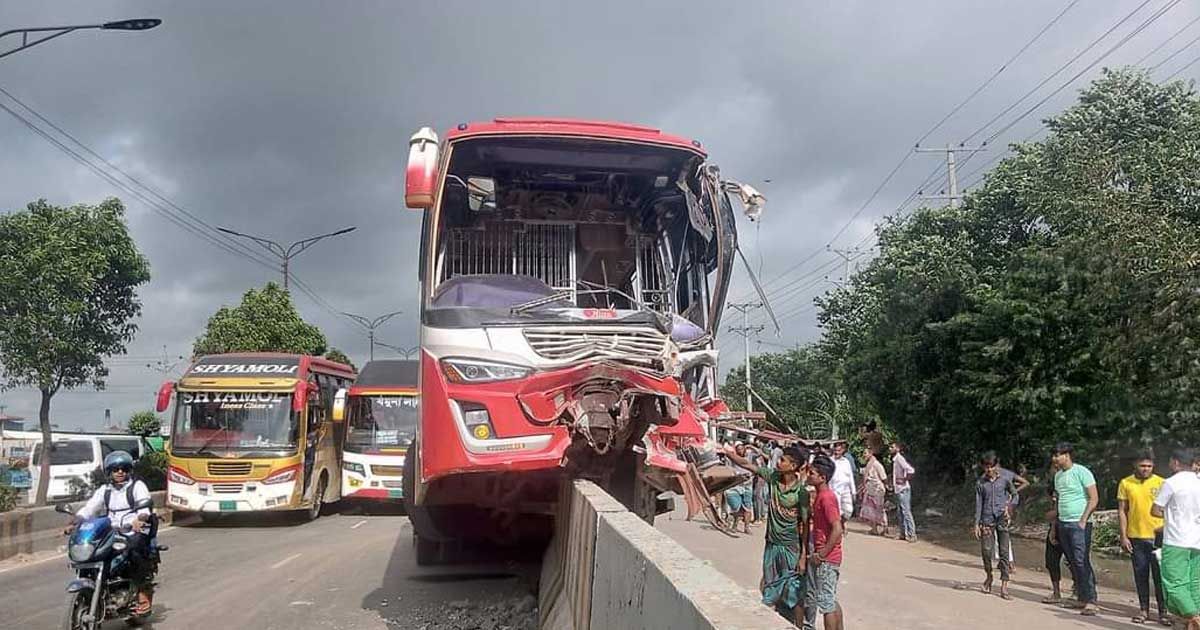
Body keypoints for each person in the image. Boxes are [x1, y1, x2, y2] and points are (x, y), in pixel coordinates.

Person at [726, 443, 811, 626]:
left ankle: (798, 626)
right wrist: (727, 453)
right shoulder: (772, 477)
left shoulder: (801, 493)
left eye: (782, 460)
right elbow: (748, 465)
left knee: (794, 592)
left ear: (793, 466)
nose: (778, 462)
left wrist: (803, 556)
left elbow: (804, 526)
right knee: (769, 589)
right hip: (772, 545)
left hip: (791, 548)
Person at [69, 451, 156, 615]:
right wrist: (74, 522)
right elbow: (90, 508)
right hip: (112, 530)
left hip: (134, 528)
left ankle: (143, 593)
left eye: (123, 468)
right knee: (94, 551)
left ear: (129, 470)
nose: (120, 472)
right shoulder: (105, 490)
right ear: (109, 472)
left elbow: (144, 508)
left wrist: (140, 519)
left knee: (135, 550)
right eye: (115, 469)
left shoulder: (137, 486)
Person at [1117, 451, 1168, 626]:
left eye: (1149, 466)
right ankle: (1143, 610)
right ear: (1135, 466)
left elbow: (1170, 509)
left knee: (1160, 577)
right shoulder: (1126, 483)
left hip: (1158, 537)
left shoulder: (1162, 483)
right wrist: (1123, 536)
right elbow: (1122, 511)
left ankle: (1163, 612)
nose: (1146, 469)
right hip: (1136, 537)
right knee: (1141, 575)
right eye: (1142, 466)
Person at [1152, 449, 1200, 630]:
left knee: (1174, 583)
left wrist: (1170, 515)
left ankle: (1193, 617)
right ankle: (1189, 621)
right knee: (1194, 583)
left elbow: (1156, 510)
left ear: (1176, 462)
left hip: (1176, 539)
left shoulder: (1171, 482)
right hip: (1197, 541)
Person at [1051, 442, 1099, 616]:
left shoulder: (1082, 472)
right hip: (1063, 523)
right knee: (1072, 561)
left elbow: (1094, 498)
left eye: (1057, 455)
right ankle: (1081, 597)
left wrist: (1083, 520)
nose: (1054, 458)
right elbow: (1059, 501)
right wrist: (1054, 527)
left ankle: (1091, 600)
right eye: (1054, 455)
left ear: (1067, 455)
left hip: (1079, 524)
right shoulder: (1058, 476)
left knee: (1081, 560)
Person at [806, 455, 845, 630]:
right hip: (829, 556)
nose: (808, 475)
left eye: (812, 473)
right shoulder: (822, 495)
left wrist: (821, 554)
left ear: (822, 477)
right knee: (829, 598)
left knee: (826, 604)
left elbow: (837, 528)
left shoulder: (826, 498)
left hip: (827, 557)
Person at [974, 451, 1017, 600]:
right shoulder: (981, 483)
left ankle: (1004, 585)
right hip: (987, 520)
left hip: (1002, 519)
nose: (989, 469)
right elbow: (979, 504)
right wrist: (976, 523)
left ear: (996, 466)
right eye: (986, 466)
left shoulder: (1005, 480)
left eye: (991, 466)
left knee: (1004, 552)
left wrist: (1009, 507)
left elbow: (1015, 495)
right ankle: (989, 576)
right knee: (986, 551)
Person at [724, 443, 755, 534]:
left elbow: (761, 453)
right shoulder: (732, 458)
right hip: (736, 485)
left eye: (742, 449)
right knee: (735, 507)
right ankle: (735, 524)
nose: (740, 451)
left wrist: (752, 446)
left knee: (747, 508)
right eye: (738, 449)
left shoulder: (749, 456)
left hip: (747, 485)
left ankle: (747, 527)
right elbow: (728, 469)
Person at [890, 442, 917, 542]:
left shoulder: (899, 459)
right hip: (898, 489)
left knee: (906, 511)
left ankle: (912, 534)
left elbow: (911, 470)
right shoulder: (895, 460)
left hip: (903, 489)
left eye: (892, 447)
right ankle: (903, 533)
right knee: (900, 512)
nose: (890, 449)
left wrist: (904, 479)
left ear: (897, 448)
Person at [859, 447, 889, 536]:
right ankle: (874, 528)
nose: (864, 455)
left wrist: (887, 486)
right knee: (871, 509)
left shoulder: (876, 464)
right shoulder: (869, 465)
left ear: (871, 453)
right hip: (870, 489)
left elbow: (884, 477)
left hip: (877, 490)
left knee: (879, 509)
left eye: (865, 453)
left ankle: (885, 527)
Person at [830, 442, 856, 525]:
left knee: (849, 510)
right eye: (836, 450)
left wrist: (853, 491)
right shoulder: (830, 461)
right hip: (834, 489)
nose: (837, 452)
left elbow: (850, 476)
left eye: (839, 450)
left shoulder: (846, 461)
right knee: (837, 510)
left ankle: (841, 524)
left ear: (843, 451)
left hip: (846, 489)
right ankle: (838, 527)